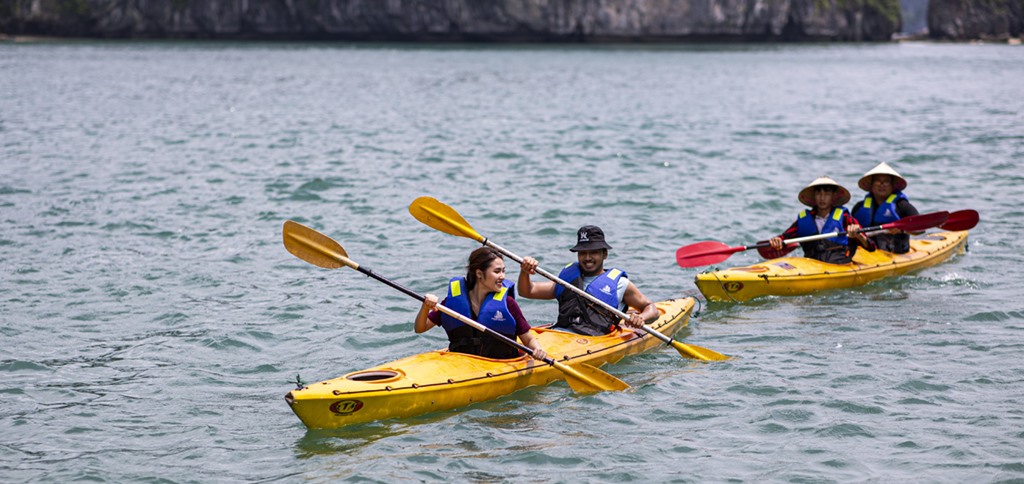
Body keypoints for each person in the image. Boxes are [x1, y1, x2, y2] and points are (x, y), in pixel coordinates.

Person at [518, 225, 658, 336]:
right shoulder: (567, 280)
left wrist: (642, 318)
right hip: (560, 335)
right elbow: (527, 291)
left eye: (594, 252)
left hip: (594, 341)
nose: (587, 258)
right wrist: (525, 272)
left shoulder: (620, 284)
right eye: (583, 253)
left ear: (605, 254)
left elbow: (652, 309)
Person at [415, 247, 547, 361]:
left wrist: (537, 349)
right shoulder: (452, 303)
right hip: (462, 363)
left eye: (503, 271)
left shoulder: (508, 304)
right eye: (497, 271)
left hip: (501, 364)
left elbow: (528, 340)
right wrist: (425, 306)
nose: (503, 276)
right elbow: (420, 328)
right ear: (479, 273)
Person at [769, 176, 875, 264]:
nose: (822, 198)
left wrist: (858, 235)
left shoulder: (844, 217)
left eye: (827, 194)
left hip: (840, 265)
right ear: (814, 196)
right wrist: (777, 241)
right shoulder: (805, 219)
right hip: (813, 265)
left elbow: (871, 247)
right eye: (818, 193)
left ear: (833, 196)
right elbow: (784, 238)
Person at [851, 162, 920, 254]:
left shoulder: (903, 206)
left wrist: (902, 230)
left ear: (893, 186)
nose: (882, 184)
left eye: (886, 181)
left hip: (897, 253)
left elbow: (920, 229)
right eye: (878, 181)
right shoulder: (859, 207)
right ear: (871, 185)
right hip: (866, 254)